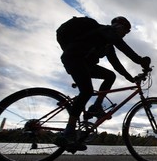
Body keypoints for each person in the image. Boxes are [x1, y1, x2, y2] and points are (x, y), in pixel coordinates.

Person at [55, 16, 151, 152]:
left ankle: (96, 106)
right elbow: (122, 47)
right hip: (74, 59)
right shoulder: (105, 30)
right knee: (87, 91)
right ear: (118, 26)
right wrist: (140, 60)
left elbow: (116, 65)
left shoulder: (107, 44)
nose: (125, 34)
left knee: (110, 75)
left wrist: (131, 79)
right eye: (126, 30)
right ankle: (69, 132)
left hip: (83, 63)